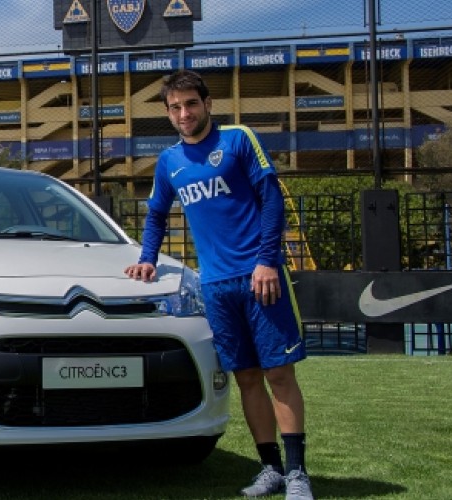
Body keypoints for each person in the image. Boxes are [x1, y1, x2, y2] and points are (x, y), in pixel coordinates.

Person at [124, 70, 313, 500]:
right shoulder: (170, 161)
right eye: (175, 107)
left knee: (279, 374)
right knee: (246, 378)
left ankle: (299, 474)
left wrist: (268, 260)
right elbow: (155, 215)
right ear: (168, 113)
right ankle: (272, 470)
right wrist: (146, 260)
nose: (184, 113)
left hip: (260, 277)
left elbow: (272, 198)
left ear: (207, 104)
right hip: (216, 285)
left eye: (191, 104)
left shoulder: (239, 139)